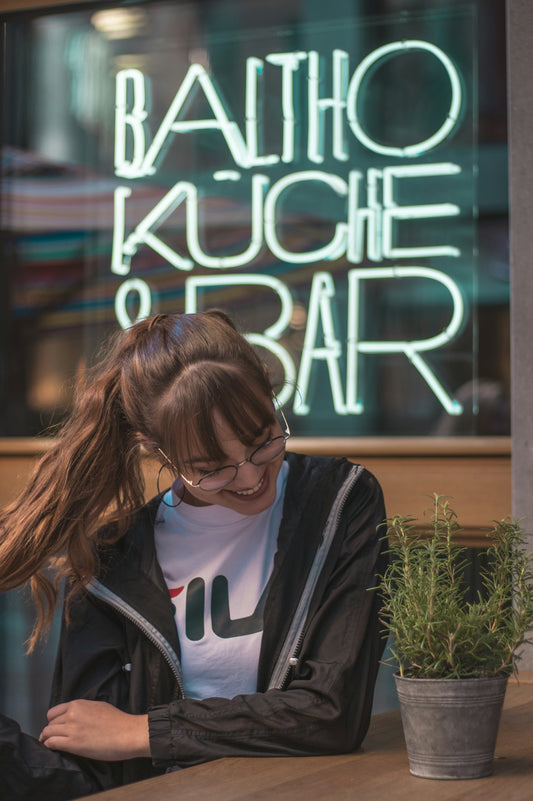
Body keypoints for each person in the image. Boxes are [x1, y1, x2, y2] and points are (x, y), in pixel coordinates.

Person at [0, 310, 388, 801]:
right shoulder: (112, 559)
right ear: (158, 452)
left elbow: (331, 713)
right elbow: (93, 766)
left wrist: (144, 733)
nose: (250, 479)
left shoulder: (339, 503)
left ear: (269, 393)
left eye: (263, 440)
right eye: (211, 468)